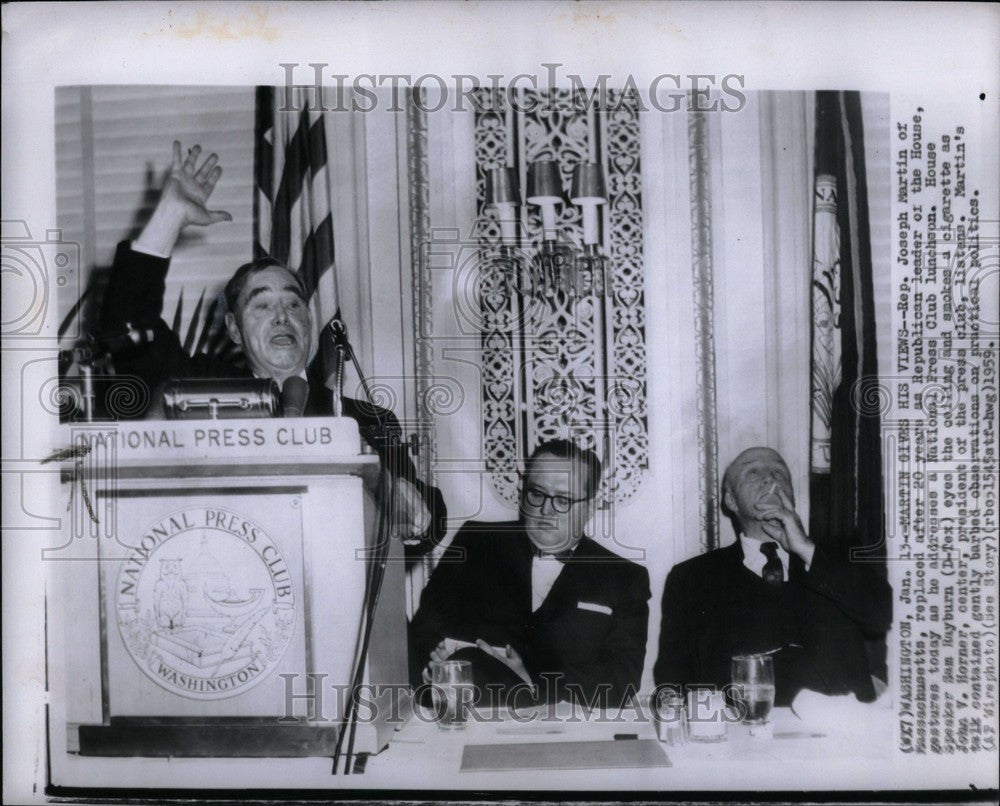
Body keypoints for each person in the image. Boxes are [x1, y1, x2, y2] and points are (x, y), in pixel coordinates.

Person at [99, 141, 445, 553]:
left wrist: (411, 508)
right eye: (261, 304)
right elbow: (126, 329)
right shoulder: (196, 387)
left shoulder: (365, 419)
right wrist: (169, 216)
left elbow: (425, 522)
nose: (282, 315)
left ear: (309, 319)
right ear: (233, 329)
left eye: (293, 303)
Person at [408, 439, 650, 708]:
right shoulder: (474, 543)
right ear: (524, 494)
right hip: (472, 726)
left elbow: (622, 679)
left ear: (591, 508)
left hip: (571, 734)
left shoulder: (625, 577)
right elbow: (422, 636)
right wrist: (435, 672)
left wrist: (532, 681)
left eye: (563, 500)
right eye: (537, 494)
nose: (546, 510)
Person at [653, 446, 892, 706]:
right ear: (731, 501)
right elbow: (672, 677)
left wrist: (805, 549)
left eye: (779, 472)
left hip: (837, 732)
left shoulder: (841, 557)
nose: (770, 479)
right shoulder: (691, 578)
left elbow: (884, 615)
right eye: (753, 472)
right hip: (740, 731)